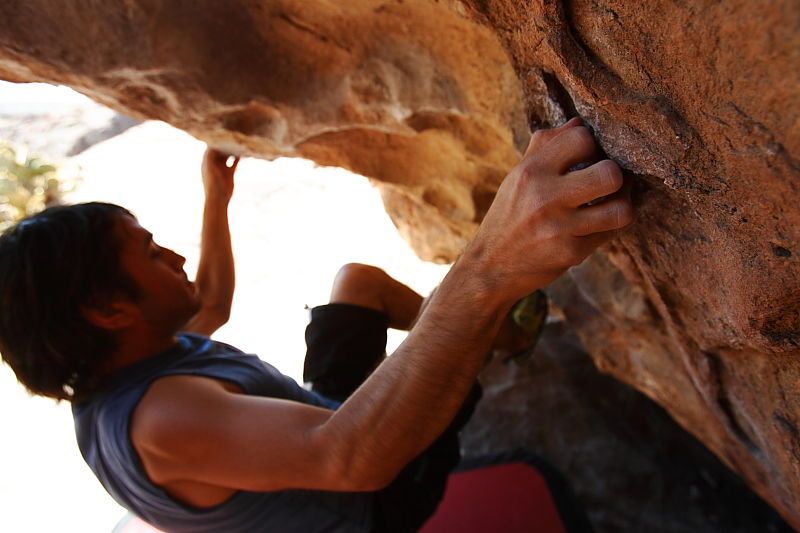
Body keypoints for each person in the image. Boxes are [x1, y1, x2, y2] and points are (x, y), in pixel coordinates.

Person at [0, 118, 633, 532]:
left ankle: (507, 336)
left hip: (323, 429)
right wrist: (490, 264)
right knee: (446, 338)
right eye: (151, 253)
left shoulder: (128, 354)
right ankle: (498, 322)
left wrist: (216, 196)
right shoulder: (160, 422)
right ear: (109, 309)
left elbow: (211, 303)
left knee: (359, 283)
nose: (175, 257)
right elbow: (353, 458)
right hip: (376, 498)